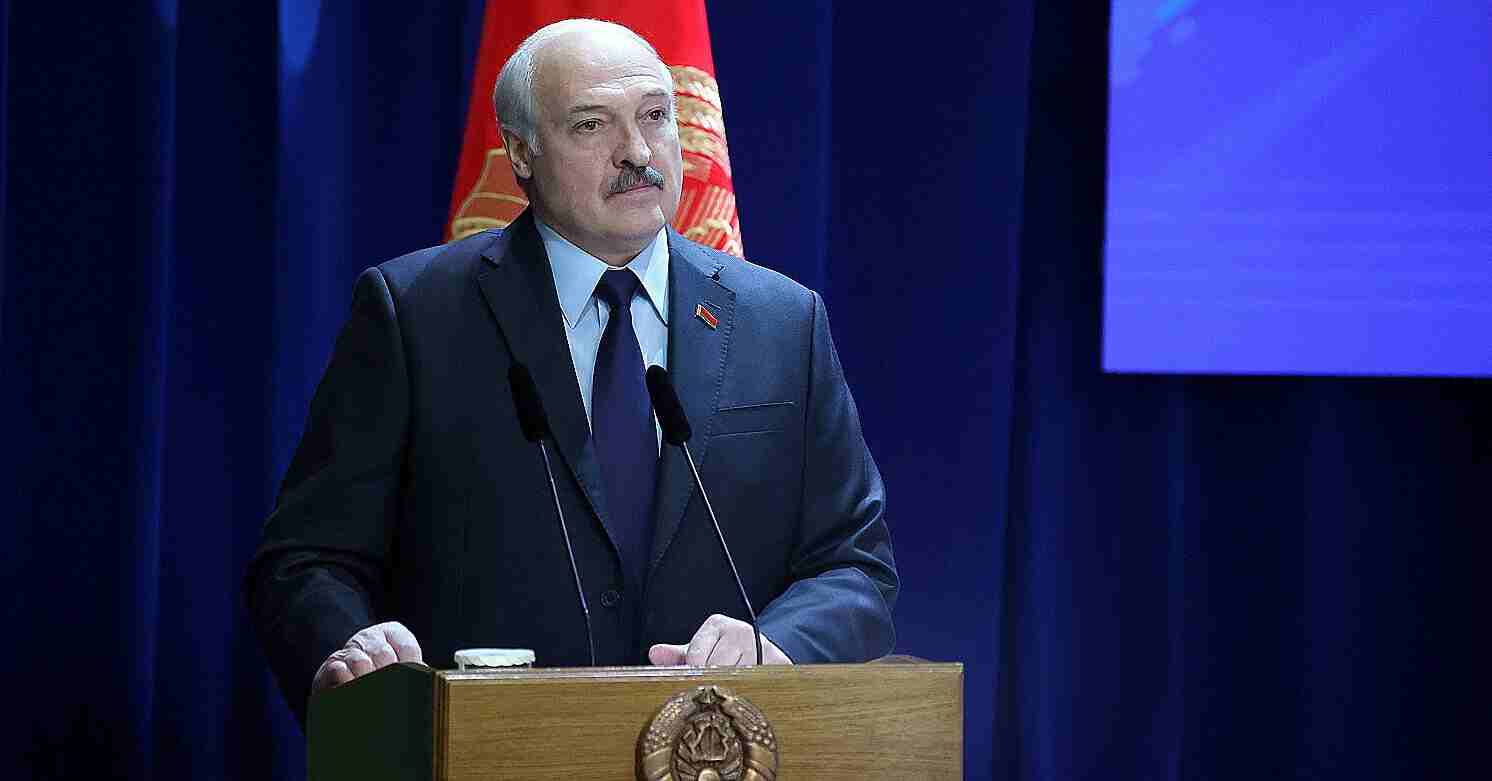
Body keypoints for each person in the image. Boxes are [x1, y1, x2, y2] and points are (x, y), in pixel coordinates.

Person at [245, 18, 897, 725]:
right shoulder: (414, 314)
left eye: (655, 116)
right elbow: (305, 560)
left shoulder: (784, 320)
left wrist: (777, 646)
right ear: (521, 152)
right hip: (489, 745)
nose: (638, 152)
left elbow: (855, 565)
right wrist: (350, 646)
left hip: (718, 745)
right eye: (592, 125)